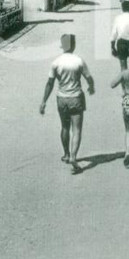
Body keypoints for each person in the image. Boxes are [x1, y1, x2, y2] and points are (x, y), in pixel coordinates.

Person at [39, 34, 95, 175]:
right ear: (74, 45)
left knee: (65, 127)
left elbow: (50, 83)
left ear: (62, 46)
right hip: (76, 97)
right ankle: (73, 157)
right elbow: (89, 77)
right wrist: (91, 87)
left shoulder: (56, 62)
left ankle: (66, 154)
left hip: (62, 98)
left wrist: (44, 101)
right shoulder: (79, 61)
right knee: (77, 129)